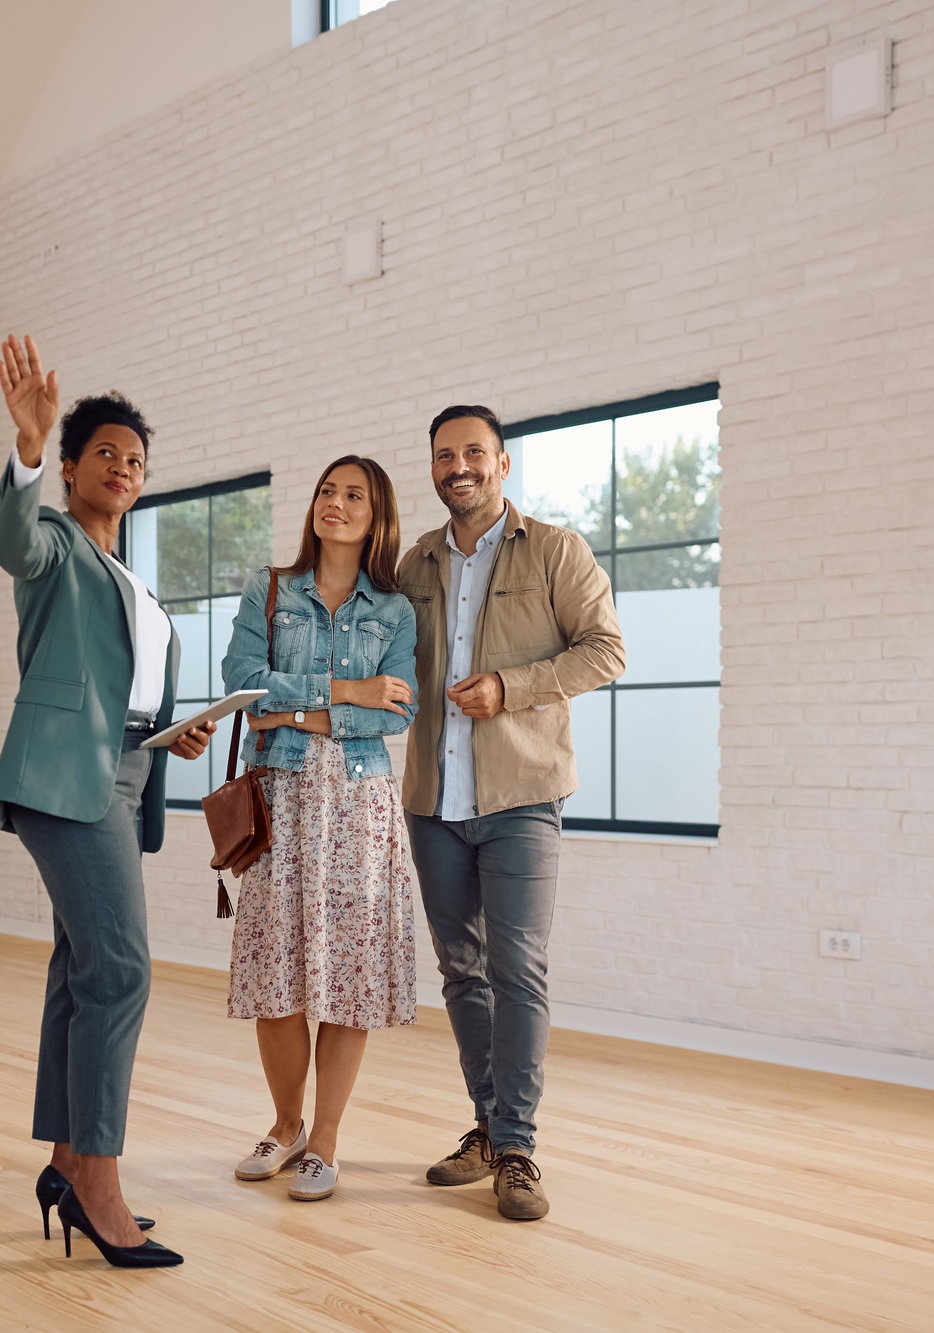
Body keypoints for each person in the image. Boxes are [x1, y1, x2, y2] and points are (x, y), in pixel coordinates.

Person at [0, 335, 214, 1269]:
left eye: (136, 460)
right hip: (64, 779)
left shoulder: (133, 581)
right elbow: (9, 539)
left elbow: (127, 695)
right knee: (121, 971)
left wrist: (172, 735)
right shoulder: (53, 549)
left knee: (82, 968)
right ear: (73, 467)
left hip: (126, 770)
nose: (123, 468)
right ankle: (101, 1184)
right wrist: (28, 446)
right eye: (106, 454)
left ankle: (68, 1156)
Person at [397, 404, 625, 1222]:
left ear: (502, 464)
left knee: (517, 969)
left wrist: (509, 687)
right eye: (444, 454)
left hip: (523, 796)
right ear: (433, 467)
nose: (458, 465)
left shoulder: (556, 550)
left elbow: (606, 648)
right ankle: (489, 1129)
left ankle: (518, 1145)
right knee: (461, 971)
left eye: (473, 452)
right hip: (432, 801)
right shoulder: (415, 563)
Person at [219, 455, 419, 1203]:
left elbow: (398, 711)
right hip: (282, 797)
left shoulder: (395, 611)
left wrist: (293, 705)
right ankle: (285, 1122)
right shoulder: (268, 592)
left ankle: (326, 1138)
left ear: (376, 514)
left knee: (347, 975)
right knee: (277, 973)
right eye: (327, 491)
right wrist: (344, 690)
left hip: (361, 807)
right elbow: (243, 686)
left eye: (353, 495)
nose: (335, 503)